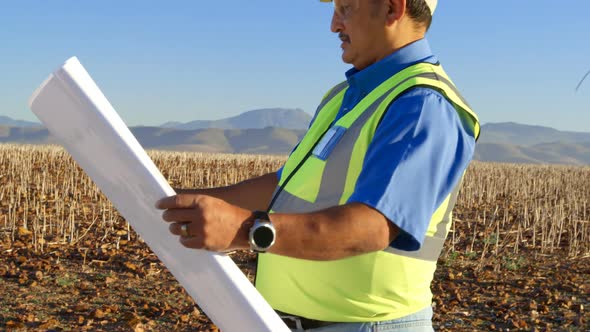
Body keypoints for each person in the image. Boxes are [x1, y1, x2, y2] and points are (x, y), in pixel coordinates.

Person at [156, 0, 480, 331]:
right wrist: (173, 200)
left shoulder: (423, 104)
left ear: (391, 9)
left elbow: (374, 226)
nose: (334, 25)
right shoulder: (344, 96)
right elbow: (283, 186)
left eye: (346, 8)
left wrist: (244, 229)